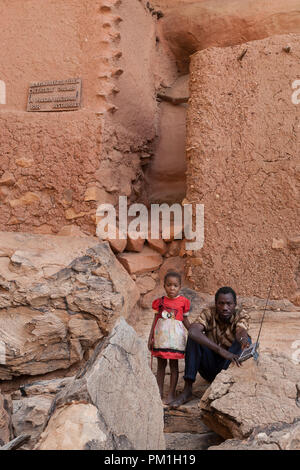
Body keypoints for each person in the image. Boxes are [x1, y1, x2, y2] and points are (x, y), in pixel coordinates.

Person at [170, 286, 251, 407]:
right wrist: (220, 350)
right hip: (209, 367)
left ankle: (228, 387)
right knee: (194, 337)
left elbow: (241, 330)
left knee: (246, 339)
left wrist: (243, 339)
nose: (225, 308)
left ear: (235, 304)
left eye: (229, 304)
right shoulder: (209, 312)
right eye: (221, 304)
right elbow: (193, 331)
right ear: (216, 303)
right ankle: (187, 390)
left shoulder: (241, 314)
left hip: (228, 367)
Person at [148, 271, 191, 405]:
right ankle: (158, 392)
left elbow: (185, 319)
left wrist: (193, 332)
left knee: (174, 366)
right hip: (161, 338)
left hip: (175, 340)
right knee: (161, 365)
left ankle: (171, 393)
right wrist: (151, 337)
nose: (172, 288)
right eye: (169, 285)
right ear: (164, 286)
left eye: (175, 285)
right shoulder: (159, 302)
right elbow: (155, 319)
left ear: (180, 287)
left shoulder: (183, 302)